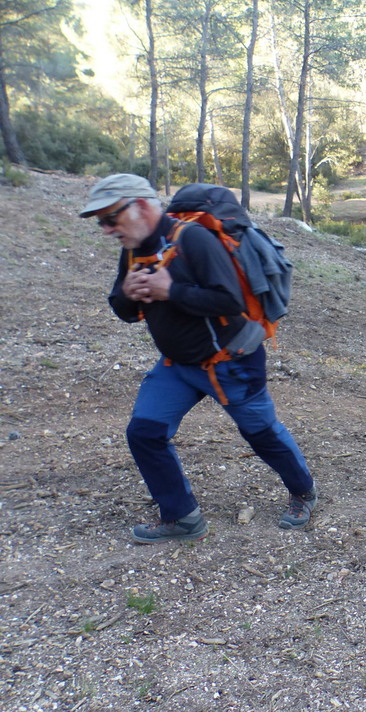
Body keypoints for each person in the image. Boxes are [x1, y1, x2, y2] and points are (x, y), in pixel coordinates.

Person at [81, 174, 317, 543]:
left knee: (262, 434)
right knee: (145, 433)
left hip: (232, 362)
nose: (107, 229)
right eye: (101, 222)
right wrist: (127, 293)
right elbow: (124, 310)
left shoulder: (195, 239)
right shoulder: (133, 249)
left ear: (140, 206)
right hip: (178, 367)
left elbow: (231, 301)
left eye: (111, 218)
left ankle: (303, 491)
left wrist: (170, 290)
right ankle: (183, 517)